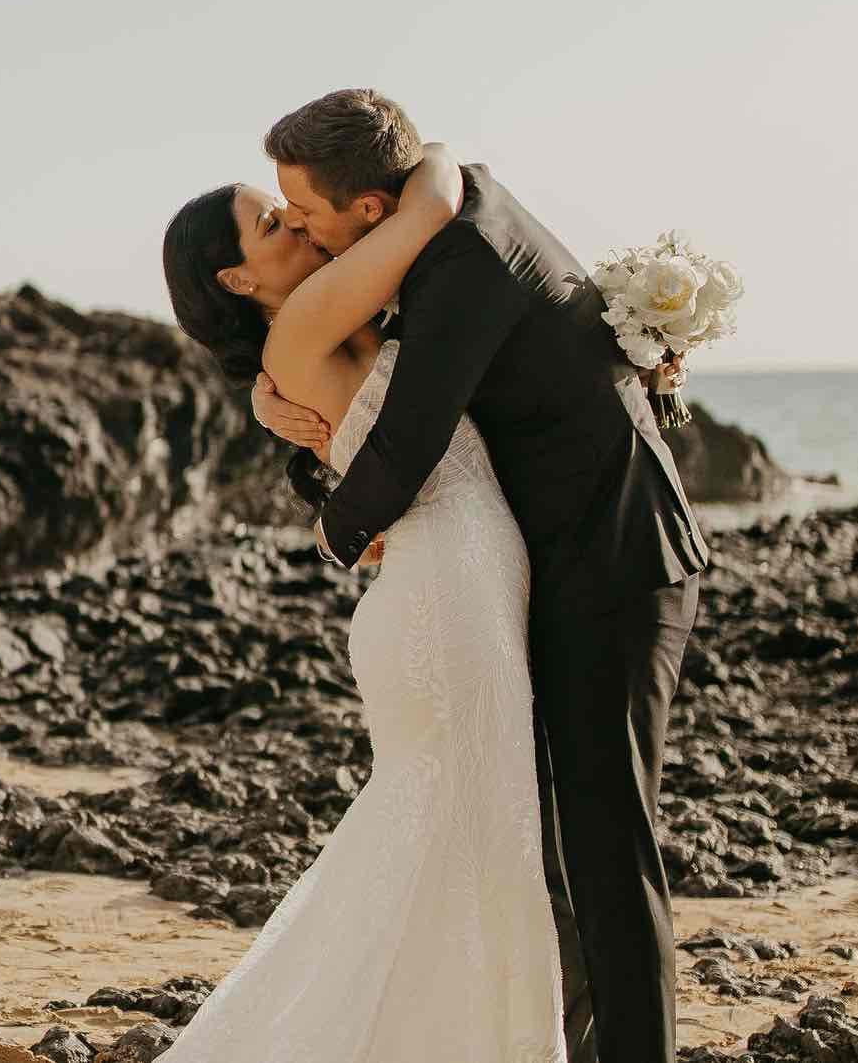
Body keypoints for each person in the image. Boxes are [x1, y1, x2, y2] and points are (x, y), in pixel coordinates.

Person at [252, 88, 709, 1063]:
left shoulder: (466, 259)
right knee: (553, 841)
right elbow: (403, 405)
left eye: (306, 212)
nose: (296, 226)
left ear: (368, 210)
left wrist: (341, 534)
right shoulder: (448, 226)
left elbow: (413, 437)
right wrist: (305, 437)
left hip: (619, 566)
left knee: (607, 846)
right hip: (568, 567)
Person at [160, 141, 569, 1061]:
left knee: (458, 836)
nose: (298, 222)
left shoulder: (318, 320)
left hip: (447, 585)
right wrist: (427, 151)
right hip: (441, 594)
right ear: (235, 275)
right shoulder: (305, 316)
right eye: (273, 223)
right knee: (467, 834)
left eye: (291, 209)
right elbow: (428, 207)